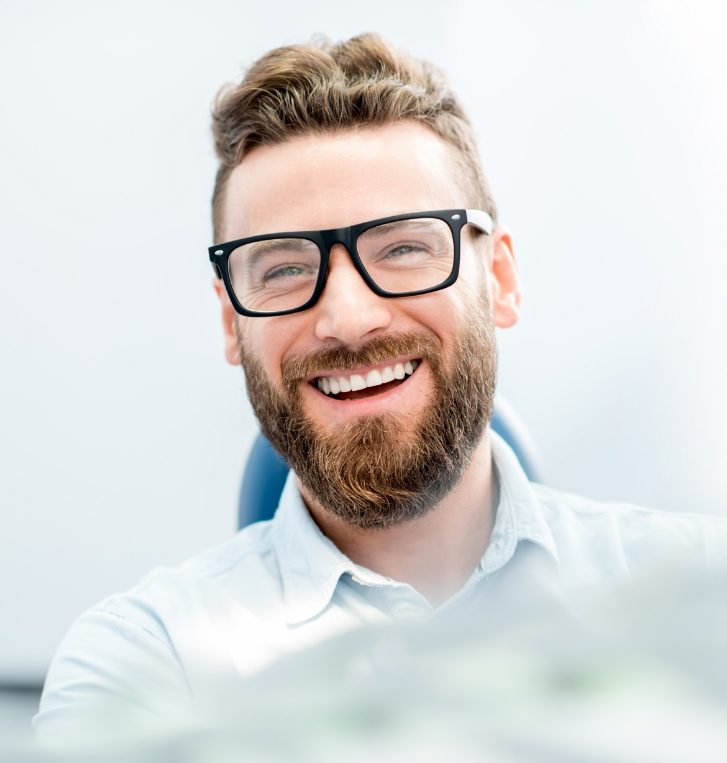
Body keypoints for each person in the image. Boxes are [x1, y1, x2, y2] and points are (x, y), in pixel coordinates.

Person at [34, 33, 726, 741]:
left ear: (500, 281)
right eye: (281, 269)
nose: (347, 319)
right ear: (229, 318)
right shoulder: (145, 667)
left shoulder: (706, 596)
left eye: (402, 248)